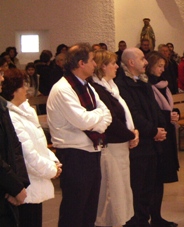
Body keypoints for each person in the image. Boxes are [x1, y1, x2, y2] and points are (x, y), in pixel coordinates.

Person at [47, 43, 112, 227]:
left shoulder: (87, 86)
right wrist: (97, 120)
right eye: (92, 60)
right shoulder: (63, 89)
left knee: (90, 207)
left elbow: (107, 114)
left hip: (92, 150)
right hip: (74, 154)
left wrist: (96, 121)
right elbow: (82, 121)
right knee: (74, 209)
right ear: (81, 63)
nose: (95, 65)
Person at [1, 68, 61, 227]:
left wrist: (54, 161)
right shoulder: (11, 116)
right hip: (25, 183)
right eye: (22, 86)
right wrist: (52, 170)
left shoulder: (26, 111)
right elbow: (26, 154)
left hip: (36, 182)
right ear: (13, 90)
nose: (26, 89)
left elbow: (39, 142)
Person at [114, 48, 168, 226]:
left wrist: (160, 129)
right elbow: (133, 114)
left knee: (149, 186)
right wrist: (153, 131)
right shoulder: (122, 85)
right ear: (131, 62)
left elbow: (154, 109)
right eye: (142, 59)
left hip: (151, 142)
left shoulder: (143, 82)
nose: (146, 62)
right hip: (139, 144)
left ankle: (145, 219)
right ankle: (136, 221)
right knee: (137, 187)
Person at [89, 50, 138, 227]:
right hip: (111, 147)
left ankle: (119, 222)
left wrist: (133, 131)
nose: (117, 66)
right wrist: (131, 134)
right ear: (102, 66)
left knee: (121, 190)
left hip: (121, 145)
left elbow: (124, 114)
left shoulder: (111, 87)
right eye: (113, 64)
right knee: (111, 191)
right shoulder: (98, 89)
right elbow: (111, 120)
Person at [146, 51, 179, 226]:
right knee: (154, 179)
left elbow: (168, 108)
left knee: (160, 180)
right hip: (155, 137)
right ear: (150, 66)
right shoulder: (147, 86)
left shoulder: (164, 85)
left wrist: (175, 115)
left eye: (163, 66)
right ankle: (152, 216)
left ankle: (157, 216)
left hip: (167, 135)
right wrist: (168, 117)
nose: (161, 69)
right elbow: (152, 113)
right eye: (159, 65)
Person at [0, 69, 30, 227]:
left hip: (10, 189)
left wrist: (20, 185)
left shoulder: (2, 107)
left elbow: (15, 147)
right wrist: (14, 187)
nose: (2, 78)